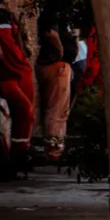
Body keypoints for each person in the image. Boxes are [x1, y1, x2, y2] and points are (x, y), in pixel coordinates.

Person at [0, 0, 35, 176]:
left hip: (21, 68)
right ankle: (17, 153)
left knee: (26, 114)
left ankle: (19, 155)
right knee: (24, 108)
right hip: (2, 71)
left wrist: (24, 56)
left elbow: (19, 39)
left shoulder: (7, 15)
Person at [36, 20, 70, 160]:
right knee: (58, 109)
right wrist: (60, 50)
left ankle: (54, 142)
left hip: (57, 66)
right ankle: (54, 144)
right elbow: (51, 33)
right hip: (56, 67)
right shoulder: (55, 13)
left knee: (55, 108)